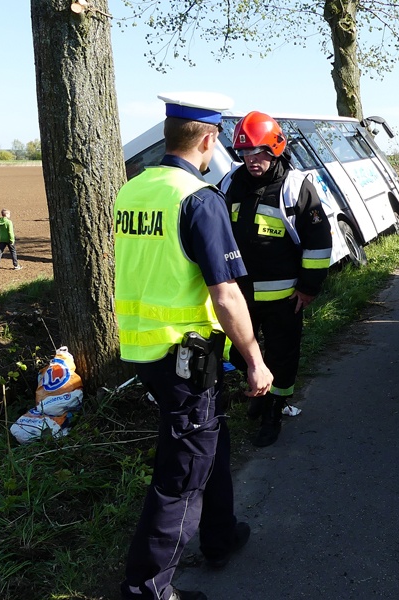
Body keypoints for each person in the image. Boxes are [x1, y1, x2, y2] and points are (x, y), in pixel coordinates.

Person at [114, 92, 274, 600]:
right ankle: (149, 590)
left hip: (145, 352)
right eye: (219, 139)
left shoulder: (132, 192)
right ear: (208, 139)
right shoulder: (199, 198)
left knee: (212, 439)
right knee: (181, 477)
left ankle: (220, 536)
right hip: (186, 357)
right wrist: (254, 360)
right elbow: (226, 295)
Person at [219, 111, 333, 448]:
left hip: (285, 299)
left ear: (276, 149)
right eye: (245, 154)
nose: (252, 161)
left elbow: (319, 242)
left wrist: (309, 289)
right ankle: (259, 389)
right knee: (240, 354)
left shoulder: (295, 186)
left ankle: (273, 410)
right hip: (241, 296)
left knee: (282, 357)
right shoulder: (229, 183)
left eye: (259, 153)